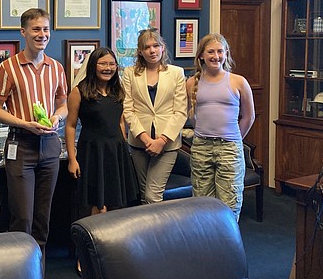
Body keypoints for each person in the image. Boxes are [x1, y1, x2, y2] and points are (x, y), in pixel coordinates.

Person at [0, 8, 68, 279]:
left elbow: (63, 103)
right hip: (20, 144)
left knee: (42, 219)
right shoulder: (7, 68)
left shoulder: (56, 67)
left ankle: (39, 276)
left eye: (46, 29)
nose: (42, 35)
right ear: (23, 32)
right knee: (22, 217)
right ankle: (18, 277)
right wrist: (24, 123)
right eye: (36, 30)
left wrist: (58, 118)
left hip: (50, 145)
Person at [186, 33, 255, 221]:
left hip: (229, 148)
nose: (215, 56)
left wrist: (234, 138)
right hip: (201, 147)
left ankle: (227, 247)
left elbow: (249, 116)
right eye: (210, 52)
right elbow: (191, 115)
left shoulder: (238, 81)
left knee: (229, 203)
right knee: (201, 202)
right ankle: (207, 246)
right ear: (201, 55)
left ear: (226, 54)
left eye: (219, 51)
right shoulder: (191, 83)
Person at [66, 47, 139, 214]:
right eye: (103, 64)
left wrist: (124, 147)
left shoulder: (118, 90)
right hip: (92, 153)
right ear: (93, 66)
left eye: (112, 64)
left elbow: (120, 121)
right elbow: (70, 126)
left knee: (117, 203)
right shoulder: (80, 91)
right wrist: (72, 159)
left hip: (116, 152)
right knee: (98, 204)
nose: (108, 68)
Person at [122, 28, 188, 204]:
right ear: (140, 52)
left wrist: (161, 141)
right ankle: (148, 232)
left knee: (153, 195)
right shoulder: (130, 73)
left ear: (162, 48)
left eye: (156, 46)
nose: (152, 50)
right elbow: (128, 110)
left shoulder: (176, 73)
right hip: (138, 143)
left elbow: (181, 111)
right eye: (147, 47)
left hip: (167, 144)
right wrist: (145, 139)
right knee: (144, 195)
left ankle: (161, 232)